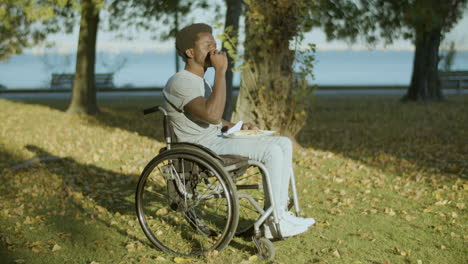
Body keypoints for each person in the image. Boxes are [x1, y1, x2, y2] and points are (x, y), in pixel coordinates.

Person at [163, 23, 315, 239]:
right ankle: (275, 222)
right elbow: (211, 114)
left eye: (214, 44)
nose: (214, 49)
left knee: (282, 143)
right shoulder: (180, 82)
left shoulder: (198, 81)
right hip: (202, 147)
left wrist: (235, 126)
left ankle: (279, 214)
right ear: (190, 52)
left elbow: (211, 118)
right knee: (271, 150)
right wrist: (221, 71)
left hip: (214, 138)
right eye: (207, 45)